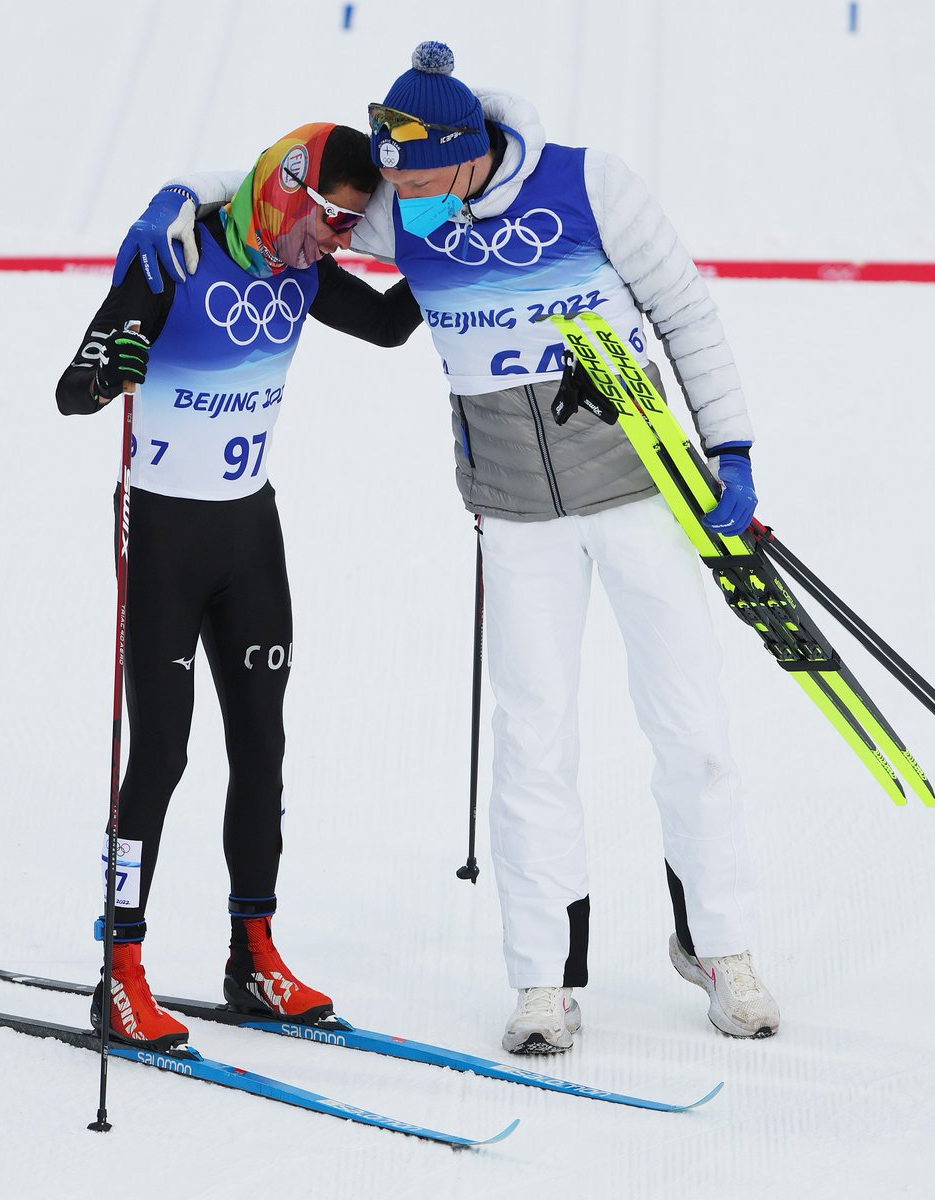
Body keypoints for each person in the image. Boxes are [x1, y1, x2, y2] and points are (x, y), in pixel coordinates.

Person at [124, 44, 780, 1054]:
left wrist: (730, 448)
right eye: (395, 175)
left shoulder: (589, 182)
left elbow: (688, 310)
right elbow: (284, 173)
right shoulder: (400, 198)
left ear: (471, 151)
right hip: (516, 513)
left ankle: (720, 944)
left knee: (689, 728)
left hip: (639, 492)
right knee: (531, 742)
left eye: (425, 175)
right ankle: (544, 980)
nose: (403, 197)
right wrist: (183, 190)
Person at [56, 123, 421, 1050]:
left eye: (349, 224)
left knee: (263, 747)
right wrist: (110, 371)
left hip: (250, 533)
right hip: (168, 534)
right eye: (332, 219)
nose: (338, 240)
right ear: (287, 194)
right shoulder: (174, 254)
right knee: (163, 755)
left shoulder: (300, 270)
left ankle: (253, 954)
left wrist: (451, 250)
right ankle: (121, 973)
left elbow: (383, 325)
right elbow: (74, 388)